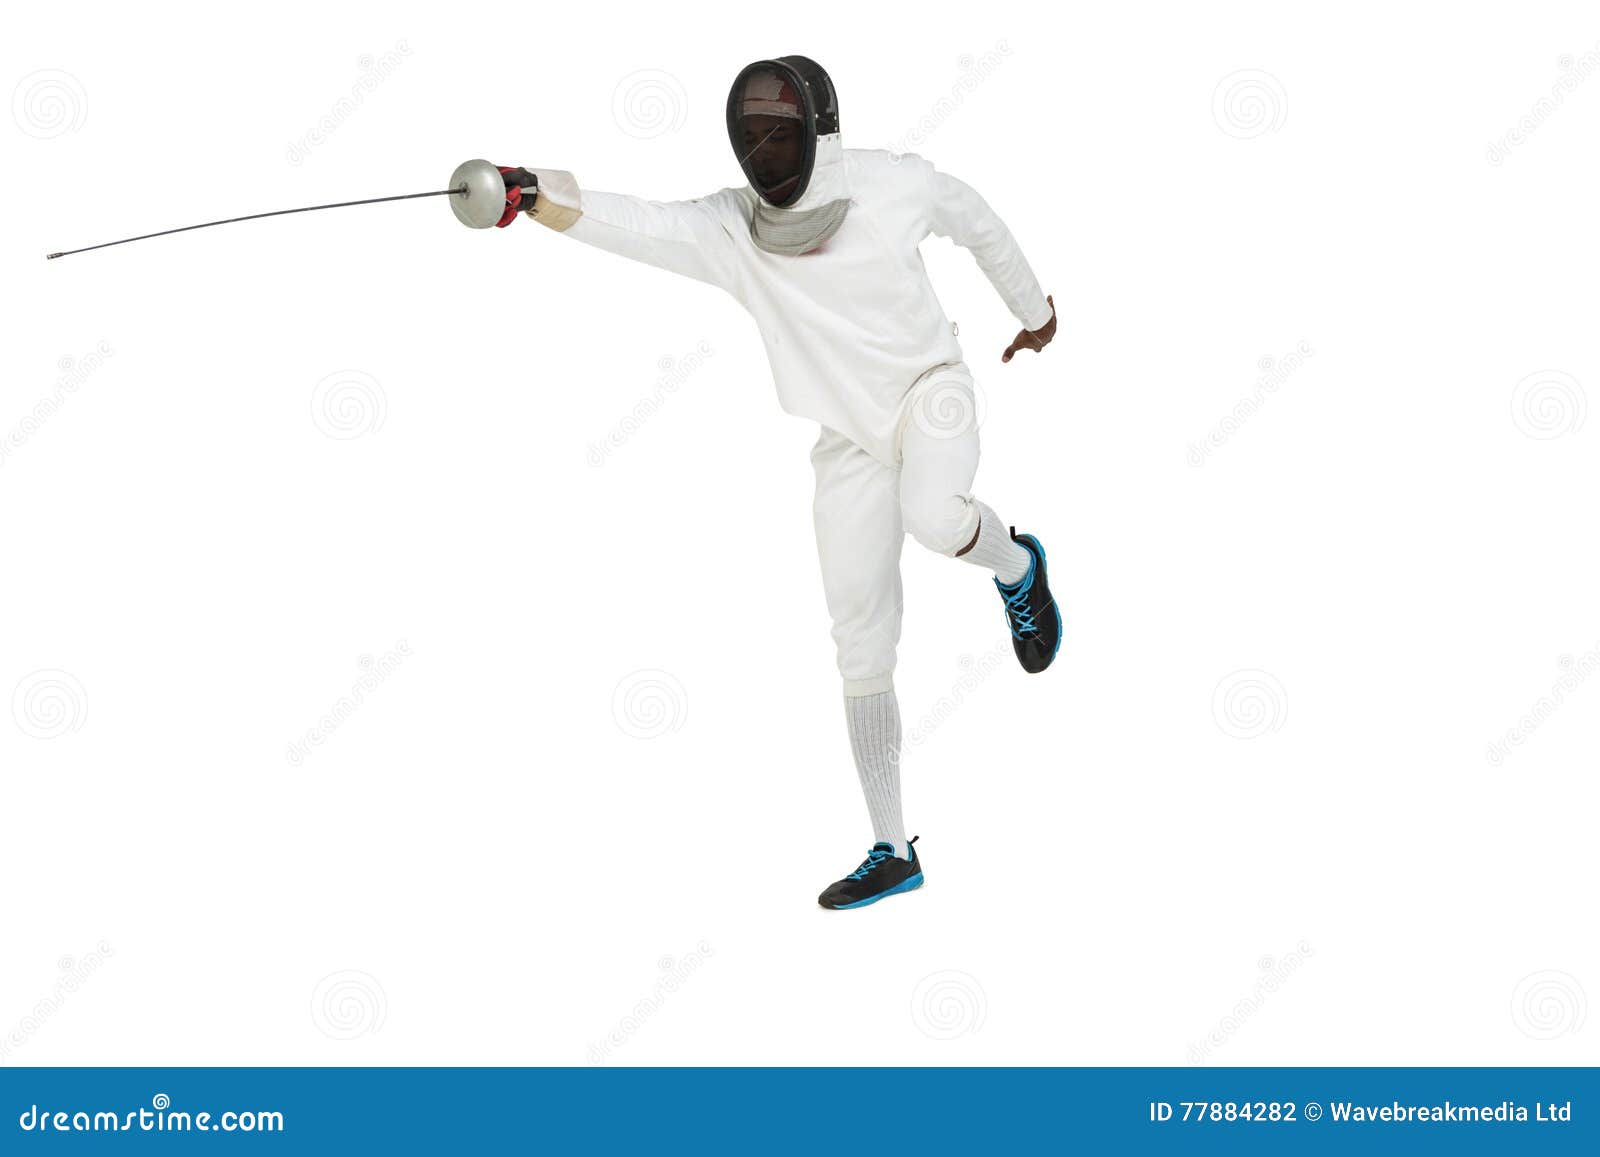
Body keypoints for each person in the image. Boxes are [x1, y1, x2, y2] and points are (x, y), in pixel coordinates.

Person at [495, 56, 1061, 909]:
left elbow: (975, 218)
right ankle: (892, 847)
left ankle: (1018, 567)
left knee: (935, 516)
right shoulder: (735, 232)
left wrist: (1034, 311)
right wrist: (536, 193)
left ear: (820, 133)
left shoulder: (892, 184)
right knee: (859, 639)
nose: (765, 149)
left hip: (929, 392)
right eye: (753, 134)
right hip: (848, 433)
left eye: (780, 132)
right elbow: (638, 221)